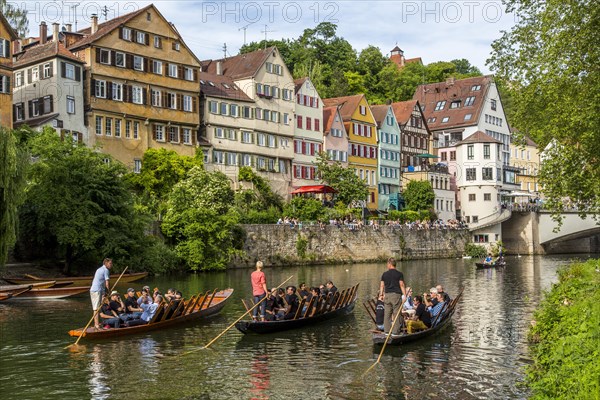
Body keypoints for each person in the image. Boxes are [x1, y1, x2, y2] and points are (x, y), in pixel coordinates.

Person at [379, 257, 407, 337]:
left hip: (387, 295)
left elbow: (381, 286)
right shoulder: (399, 274)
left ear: (390, 264)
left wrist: (381, 295)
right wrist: (404, 295)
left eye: (387, 264)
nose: (386, 265)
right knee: (396, 313)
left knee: (387, 314)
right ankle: (395, 332)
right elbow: (401, 285)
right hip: (396, 295)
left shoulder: (384, 274)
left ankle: (387, 331)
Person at [90, 258, 112, 330]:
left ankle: (97, 323)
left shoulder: (99, 269)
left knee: (98, 307)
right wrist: (109, 291)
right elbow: (107, 283)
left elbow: (100, 282)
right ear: (106, 263)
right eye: (110, 263)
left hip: (95, 290)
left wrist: (104, 293)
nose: (111, 265)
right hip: (96, 290)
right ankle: (96, 325)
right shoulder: (105, 270)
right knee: (96, 308)